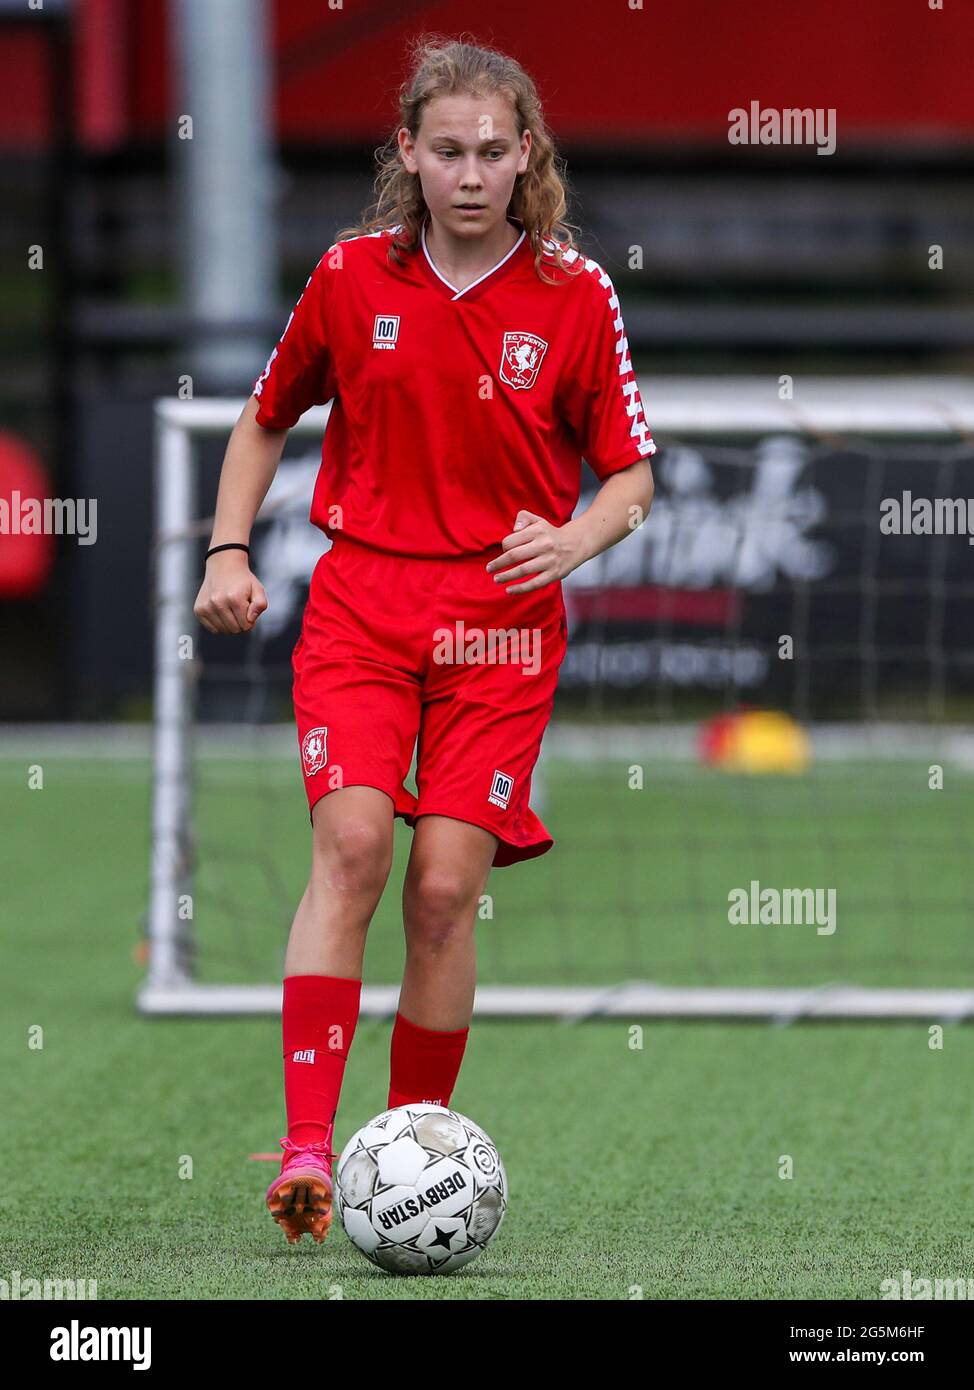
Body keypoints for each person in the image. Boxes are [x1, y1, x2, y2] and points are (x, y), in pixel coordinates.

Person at [193, 36, 656, 1246]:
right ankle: (305, 1141)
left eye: (490, 152)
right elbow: (260, 423)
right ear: (407, 150)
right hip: (360, 607)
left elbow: (629, 480)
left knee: (444, 890)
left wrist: (571, 540)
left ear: (524, 157)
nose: (466, 173)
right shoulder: (350, 277)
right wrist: (227, 551)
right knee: (351, 848)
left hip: (500, 630)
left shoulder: (572, 292)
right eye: (443, 149)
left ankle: (408, 1157)